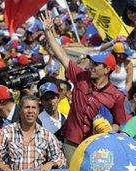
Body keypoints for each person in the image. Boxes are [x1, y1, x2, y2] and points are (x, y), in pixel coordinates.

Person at [40, 11, 127, 163]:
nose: (91, 66)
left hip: (96, 146)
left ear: (107, 70)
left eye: (96, 64)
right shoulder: (80, 76)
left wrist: (108, 132)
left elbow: (119, 123)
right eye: (91, 63)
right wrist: (48, 32)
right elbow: (61, 55)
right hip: (72, 141)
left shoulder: (116, 95)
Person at [0, 95, 66, 171]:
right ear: (20, 111)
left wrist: (49, 164)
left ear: (38, 111)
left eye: (34, 108)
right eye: (27, 107)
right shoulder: (6, 132)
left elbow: (60, 158)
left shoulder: (47, 135)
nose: (30, 111)